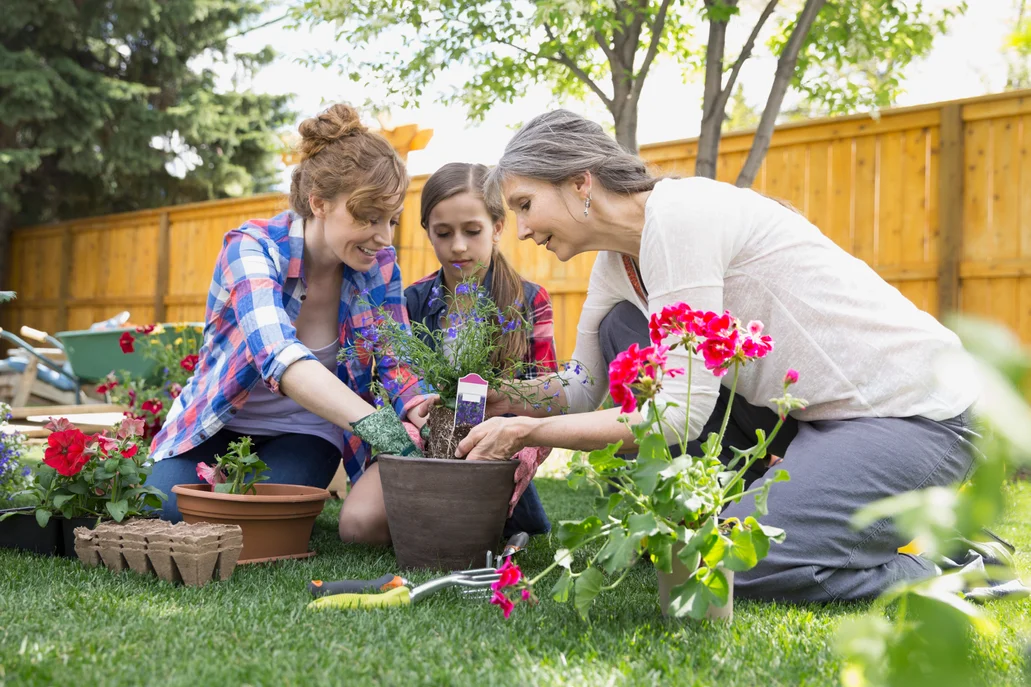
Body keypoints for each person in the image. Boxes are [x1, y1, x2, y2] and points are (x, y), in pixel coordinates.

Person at [454, 109, 981, 603]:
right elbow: (581, 384)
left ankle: (950, 567)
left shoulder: (682, 218)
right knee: (623, 328)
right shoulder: (617, 263)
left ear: (579, 183)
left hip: (912, 415)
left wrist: (528, 432)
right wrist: (508, 399)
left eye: (525, 205)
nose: (520, 230)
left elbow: (680, 415)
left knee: (735, 563)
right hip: (806, 413)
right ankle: (747, 514)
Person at [148, 104, 425, 535]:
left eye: (390, 220)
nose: (384, 237)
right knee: (162, 512)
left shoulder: (380, 266)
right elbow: (277, 355)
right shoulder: (253, 248)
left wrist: (420, 408)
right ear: (319, 203)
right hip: (221, 422)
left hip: (307, 433)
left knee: (256, 521)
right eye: (368, 218)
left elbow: (396, 360)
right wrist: (376, 425)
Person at [405, 162, 558, 537]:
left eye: (473, 231)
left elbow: (549, 396)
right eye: (443, 233)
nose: (458, 245)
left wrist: (515, 447)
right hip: (432, 435)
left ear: (498, 228)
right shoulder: (413, 301)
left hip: (500, 439)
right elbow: (403, 385)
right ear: (428, 232)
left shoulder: (529, 299)